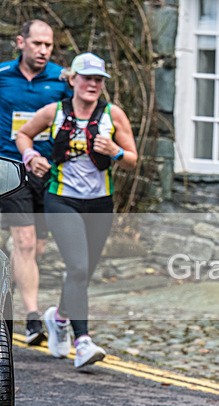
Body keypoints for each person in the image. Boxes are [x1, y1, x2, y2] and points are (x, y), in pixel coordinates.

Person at [16, 52, 137, 368]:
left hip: (100, 203)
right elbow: (23, 134)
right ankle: (82, 341)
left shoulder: (114, 115)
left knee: (84, 271)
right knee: (79, 268)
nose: (93, 85)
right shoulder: (53, 111)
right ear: (72, 80)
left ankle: (58, 318)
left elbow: (132, 159)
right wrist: (31, 158)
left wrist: (116, 150)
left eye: (99, 80)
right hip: (61, 199)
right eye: (87, 78)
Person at [0, 19, 71, 345]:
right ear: (21, 42)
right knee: (26, 242)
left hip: (49, 172)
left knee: (35, 247)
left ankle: (11, 268)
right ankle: (31, 318)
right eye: (37, 44)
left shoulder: (60, 80)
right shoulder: (2, 77)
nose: (43, 50)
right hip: (12, 170)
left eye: (48, 45)